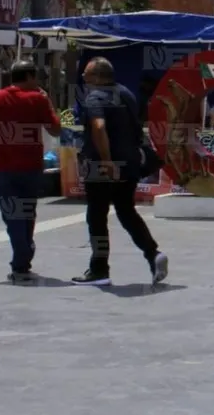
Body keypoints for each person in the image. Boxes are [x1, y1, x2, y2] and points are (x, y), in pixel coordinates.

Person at [74, 57, 168, 286]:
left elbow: (98, 127)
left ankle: (99, 269)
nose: (84, 78)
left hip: (102, 167)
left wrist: (106, 160)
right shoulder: (125, 93)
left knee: (96, 216)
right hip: (129, 164)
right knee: (126, 212)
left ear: (98, 77)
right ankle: (153, 253)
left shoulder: (95, 96)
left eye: (86, 74)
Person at [0, 61, 62, 283]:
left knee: (11, 215)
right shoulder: (38, 99)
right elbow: (55, 128)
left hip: (4, 166)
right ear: (30, 76)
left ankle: (21, 259)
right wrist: (47, 100)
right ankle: (22, 259)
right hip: (31, 167)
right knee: (28, 213)